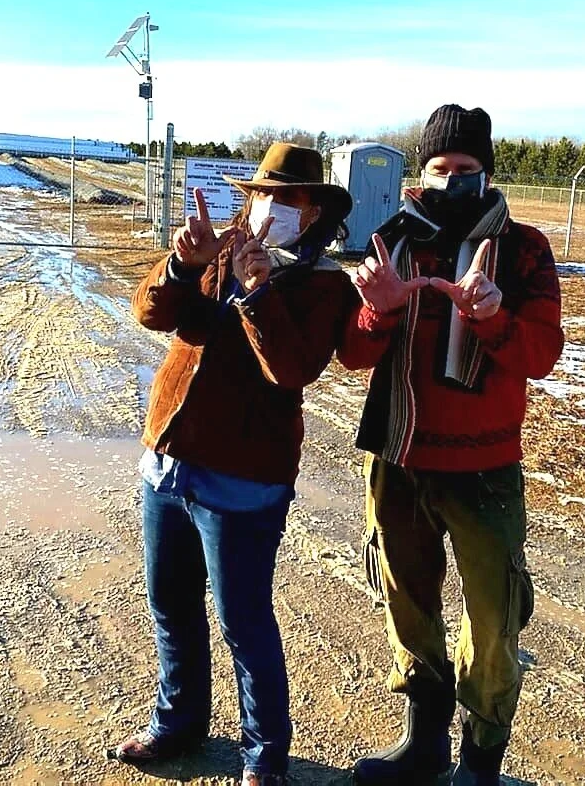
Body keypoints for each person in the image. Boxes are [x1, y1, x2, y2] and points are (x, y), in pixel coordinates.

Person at [111, 143, 356, 786]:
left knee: (243, 622)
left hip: (244, 479)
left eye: (288, 198)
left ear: (313, 213)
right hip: (168, 460)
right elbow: (152, 314)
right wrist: (181, 265)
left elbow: (293, 369)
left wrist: (259, 291)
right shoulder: (218, 251)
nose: (270, 206)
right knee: (171, 604)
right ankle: (178, 723)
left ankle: (264, 758)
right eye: (262, 193)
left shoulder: (325, 284)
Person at [338, 105, 564, 785]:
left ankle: (480, 762)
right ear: (423, 170)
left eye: (466, 168)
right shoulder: (391, 240)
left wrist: (492, 316)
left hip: (485, 467)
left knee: (494, 621)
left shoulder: (524, 250)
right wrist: (378, 310)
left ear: (486, 172)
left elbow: (542, 354)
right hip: (399, 455)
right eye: (439, 167)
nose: (451, 178)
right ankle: (425, 744)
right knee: (406, 603)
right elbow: (354, 353)